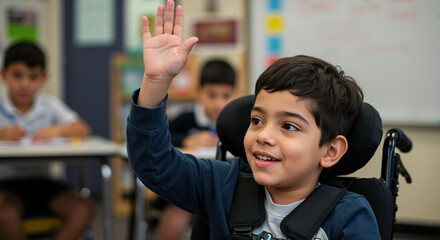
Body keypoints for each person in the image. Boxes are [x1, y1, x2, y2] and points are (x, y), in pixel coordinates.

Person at [127, 1, 380, 239]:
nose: (263, 135)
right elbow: (154, 163)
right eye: (257, 120)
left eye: (288, 126)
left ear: (330, 150)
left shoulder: (349, 216)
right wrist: (155, 82)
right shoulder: (223, 184)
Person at [0, 41, 94, 240]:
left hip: (44, 182)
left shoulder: (49, 105)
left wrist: (57, 129)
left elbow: (83, 129)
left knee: (83, 208)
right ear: (3, 75)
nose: (25, 83)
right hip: (6, 183)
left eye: (33, 77)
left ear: (44, 78)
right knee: (5, 213)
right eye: (17, 75)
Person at [157, 59, 237, 239]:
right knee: (177, 216)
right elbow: (162, 136)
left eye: (226, 96)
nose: (218, 103)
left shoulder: (237, 122)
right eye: (212, 95)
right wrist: (187, 140)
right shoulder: (186, 119)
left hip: (226, 190)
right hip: (187, 187)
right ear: (198, 92)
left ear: (235, 94)